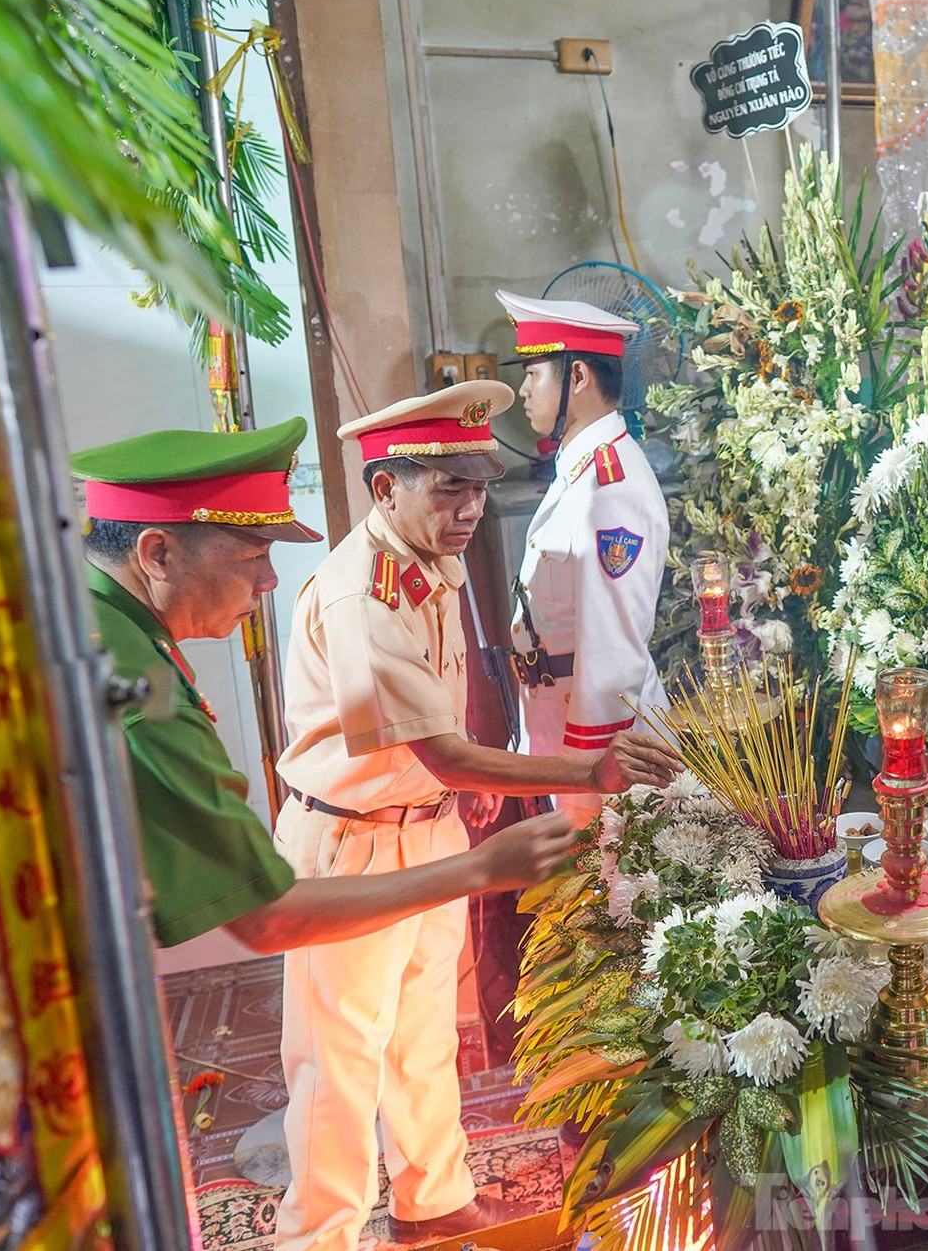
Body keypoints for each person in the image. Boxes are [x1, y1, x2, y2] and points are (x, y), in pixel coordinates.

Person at [272, 381, 681, 1251]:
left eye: (478, 486)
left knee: (425, 1029)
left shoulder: (429, 556)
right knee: (338, 1061)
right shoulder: (363, 594)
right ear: (386, 490)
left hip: (420, 824)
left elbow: (445, 728)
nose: (468, 509)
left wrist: (460, 789)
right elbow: (444, 750)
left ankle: (434, 1198)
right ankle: (321, 1235)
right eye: (445, 487)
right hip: (350, 840)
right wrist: (583, 768)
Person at [68, 417, 584, 953]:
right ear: (157, 554)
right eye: (253, 556)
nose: (269, 582)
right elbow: (266, 917)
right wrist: (483, 868)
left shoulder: (102, 625)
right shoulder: (136, 684)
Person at [498, 290, 668, 829]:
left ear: (577, 378)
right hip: (558, 719)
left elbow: (612, 649)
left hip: (603, 749)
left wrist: (586, 774)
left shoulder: (611, 487)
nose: (523, 390)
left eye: (534, 373)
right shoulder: (581, 469)